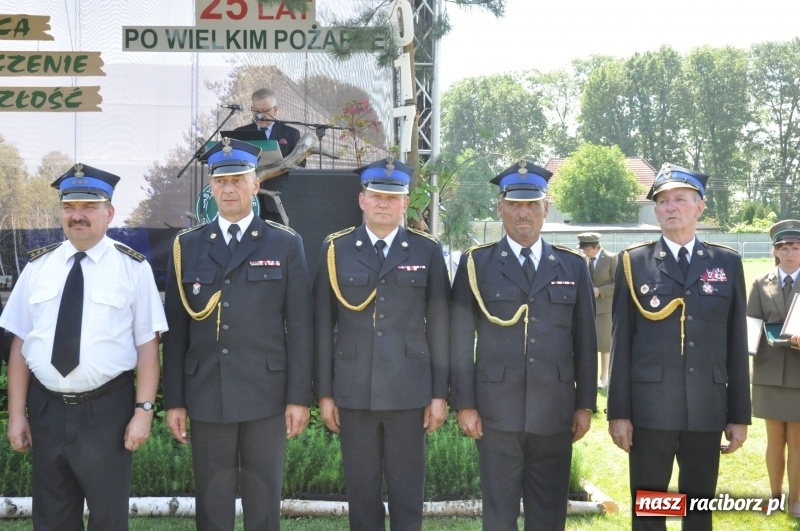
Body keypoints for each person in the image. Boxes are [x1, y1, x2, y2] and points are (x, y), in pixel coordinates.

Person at [3, 163, 167, 530]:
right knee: (51, 515)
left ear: (109, 213)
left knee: (108, 516)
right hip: (47, 408)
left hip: (106, 410)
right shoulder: (38, 267)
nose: (77, 215)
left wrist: (143, 411)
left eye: (88, 207)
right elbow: (20, 345)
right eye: (69, 207)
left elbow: (147, 347)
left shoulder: (132, 268)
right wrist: (17, 413)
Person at [163, 138, 313, 531]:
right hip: (207, 394)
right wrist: (174, 401)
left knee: (264, 507)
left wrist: (299, 397)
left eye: (238, 180)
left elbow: (300, 328)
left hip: (267, 394)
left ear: (255, 184)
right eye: (221, 181)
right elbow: (176, 332)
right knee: (212, 507)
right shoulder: (187, 246)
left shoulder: (285, 243)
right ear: (211, 188)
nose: (229, 189)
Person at [450, 161, 597, 531]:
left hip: (555, 409)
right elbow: (458, 340)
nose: (523, 213)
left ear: (546, 208)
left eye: (532, 204)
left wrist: (585, 405)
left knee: (549, 510)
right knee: (498, 511)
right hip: (496, 410)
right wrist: (464, 404)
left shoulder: (572, 265)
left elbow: (585, 340)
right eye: (515, 205)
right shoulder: (475, 264)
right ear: (500, 208)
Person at [607, 163, 751, 531]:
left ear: (699, 207)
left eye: (680, 200)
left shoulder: (727, 263)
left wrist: (739, 415)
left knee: (698, 508)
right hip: (650, 410)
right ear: (655, 211)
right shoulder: (632, 263)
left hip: (707, 407)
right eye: (663, 201)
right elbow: (620, 344)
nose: (671, 207)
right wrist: (618, 413)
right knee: (651, 507)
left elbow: (736, 344)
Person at [313, 156, 450, 530]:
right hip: (354, 392)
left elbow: (441, 327)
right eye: (376, 196)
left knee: (408, 495)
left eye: (393, 197)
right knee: (362, 493)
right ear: (362, 200)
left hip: (410, 392)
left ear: (405, 203)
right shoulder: (335, 249)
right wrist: (325, 394)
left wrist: (439, 394)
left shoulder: (427, 251)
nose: (384, 204)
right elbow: (322, 326)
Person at [748, 219, 800, 517]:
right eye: (784, 248)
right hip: (768, 371)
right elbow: (751, 325)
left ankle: (796, 500)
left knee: (797, 438)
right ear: (775, 251)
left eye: (796, 247)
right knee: (774, 438)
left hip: (798, 372)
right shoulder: (760, 282)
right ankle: (775, 496)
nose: (790, 253)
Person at [234, 87, 305, 224]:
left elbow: (301, 165)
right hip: (248, 200)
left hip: (278, 200)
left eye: (265, 111)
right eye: (256, 111)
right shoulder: (240, 133)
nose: (260, 115)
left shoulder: (291, 134)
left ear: (276, 110)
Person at [577, 232, 618, 389]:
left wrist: (600, 290)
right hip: (589, 307)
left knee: (605, 344)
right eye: (583, 250)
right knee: (590, 344)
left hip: (605, 308)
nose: (585, 253)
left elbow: (617, 283)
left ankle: (604, 377)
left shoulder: (611, 258)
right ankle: (591, 378)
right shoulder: (585, 260)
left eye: (587, 250)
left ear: (596, 247)